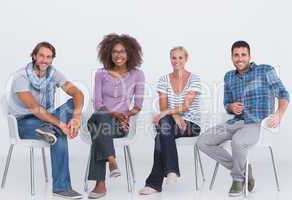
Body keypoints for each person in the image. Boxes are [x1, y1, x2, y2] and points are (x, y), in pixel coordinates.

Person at [196, 41, 290, 197]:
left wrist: (279, 114)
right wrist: (231, 107)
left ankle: (238, 179)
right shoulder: (229, 77)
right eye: (236, 55)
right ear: (232, 57)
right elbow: (227, 103)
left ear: (250, 56)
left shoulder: (265, 70)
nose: (240, 59)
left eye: (243, 55)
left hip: (257, 122)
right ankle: (244, 168)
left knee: (238, 142)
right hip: (235, 121)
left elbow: (283, 94)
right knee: (202, 142)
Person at [9, 42, 84, 199]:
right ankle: (61, 188)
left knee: (72, 104)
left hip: (46, 118)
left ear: (52, 59)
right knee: (59, 133)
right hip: (24, 123)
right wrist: (60, 124)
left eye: (49, 57)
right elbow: (35, 108)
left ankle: (49, 128)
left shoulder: (53, 74)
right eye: (41, 55)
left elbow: (77, 93)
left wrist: (76, 118)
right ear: (34, 56)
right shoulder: (20, 77)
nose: (45, 60)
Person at [87, 33, 145, 199]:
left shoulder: (137, 75)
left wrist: (126, 115)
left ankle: (100, 184)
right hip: (100, 117)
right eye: (114, 52)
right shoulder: (101, 73)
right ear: (109, 54)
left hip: (120, 124)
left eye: (122, 52)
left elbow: (138, 105)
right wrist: (113, 113)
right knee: (102, 117)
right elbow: (98, 103)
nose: (118, 55)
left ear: (130, 54)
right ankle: (111, 160)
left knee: (99, 132)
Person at [139, 46, 201, 195]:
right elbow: (163, 106)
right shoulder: (163, 80)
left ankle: (155, 183)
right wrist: (174, 115)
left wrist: (169, 112)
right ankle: (171, 171)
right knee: (164, 128)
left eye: (180, 57)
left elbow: (186, 105)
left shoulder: (194, 79)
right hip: (170, 121)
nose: (177, 61)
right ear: (170, 59)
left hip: (191, 124)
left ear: (186, 59)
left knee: (161, 133)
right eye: (174, 57)